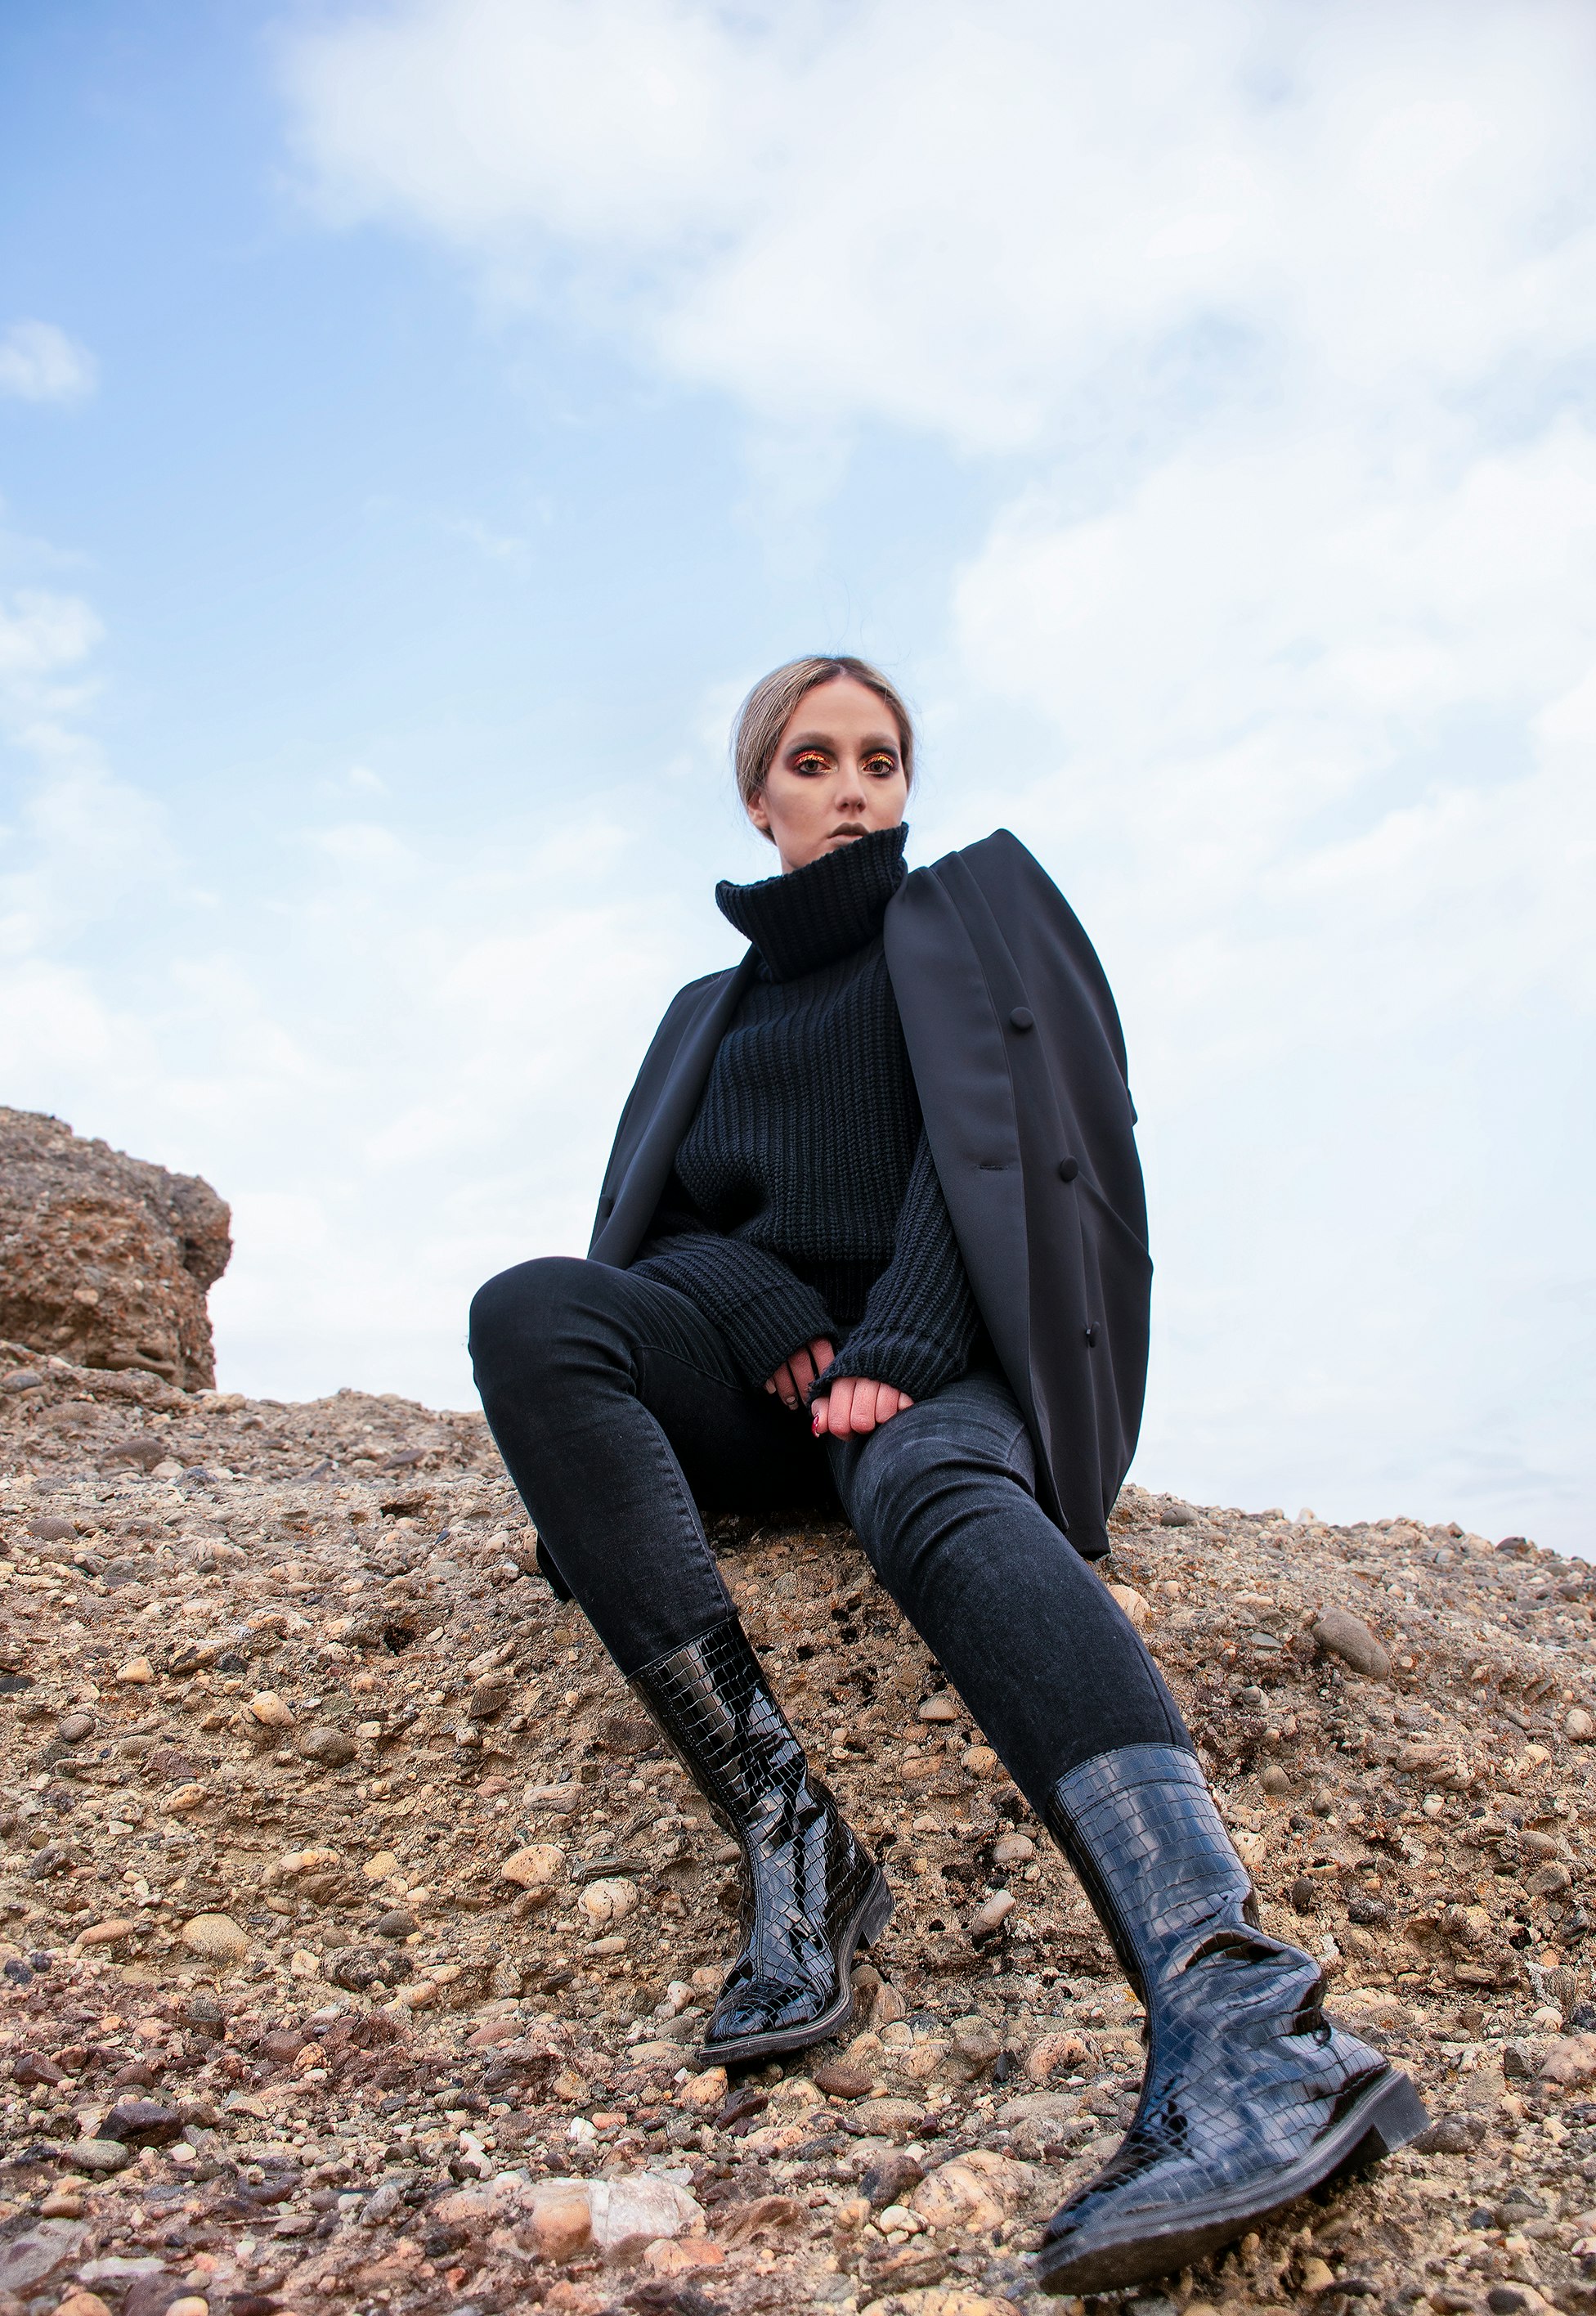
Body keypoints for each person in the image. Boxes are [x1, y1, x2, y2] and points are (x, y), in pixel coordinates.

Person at [468, 655, 1426, 2292]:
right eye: (815, 759)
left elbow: (1000, 1150)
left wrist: (898, 1345)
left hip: (940, 1356)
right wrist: (764, 1305)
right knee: (533, 1311)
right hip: (765, 1379)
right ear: (757, 795)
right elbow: (666, 1230)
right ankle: (794, 1841)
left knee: (933, 1498)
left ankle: (1243, 2015)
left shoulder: (964, 931)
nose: (854, 787)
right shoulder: (704, 1015)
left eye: (882, 760)